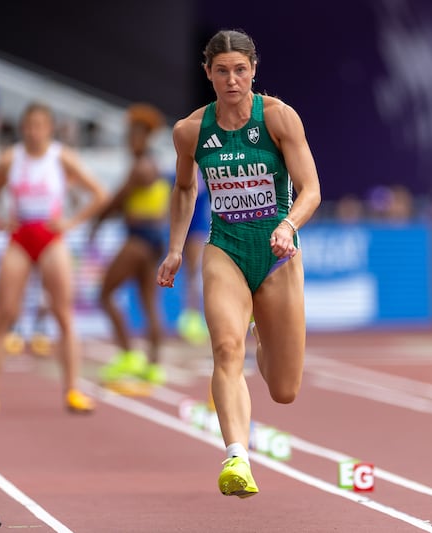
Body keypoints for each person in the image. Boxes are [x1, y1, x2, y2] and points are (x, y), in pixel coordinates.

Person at [157, 29, 321, 498]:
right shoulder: (190, 131)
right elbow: (185, 187)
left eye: (241, 70)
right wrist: (174, 248)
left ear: (254, 70)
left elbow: (311, 189)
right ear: (207, 73)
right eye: (223, 71)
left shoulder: (278, 118)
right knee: (226, 350)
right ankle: (237, 456)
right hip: (224, 247)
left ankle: (262, 331)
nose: (232, 80)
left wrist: (288, 225)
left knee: (284, 388)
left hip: (276, 253)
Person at [0, 102, 106, 415]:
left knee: (62, 314)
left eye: (40, 125)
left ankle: (72, 390)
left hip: (51, 238)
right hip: (20, 237)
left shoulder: (61, 157)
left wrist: (70, 223)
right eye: (29, 125)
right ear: (22, 128)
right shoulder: (10, 158)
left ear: (49, 128)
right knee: (4, 313)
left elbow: (99, 194)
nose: (33, 131)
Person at [93, 103, 170, 385]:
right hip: (153, 241)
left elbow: (117, 201)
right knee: (150, 303)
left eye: (131, 135)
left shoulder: (142, 167)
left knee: (104, 293)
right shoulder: (153, 164)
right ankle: (153, 365)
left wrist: (96, 222)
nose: (128, 141)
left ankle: (128, 354)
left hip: (140, 239)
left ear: (142, 137)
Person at [177, 172, 210, 345]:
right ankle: (191, 317)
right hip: (185, 229)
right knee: (189, 276)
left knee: (195, 275)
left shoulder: (203, 173)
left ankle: (195, 318)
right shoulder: (183, 171)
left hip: (197, 229)